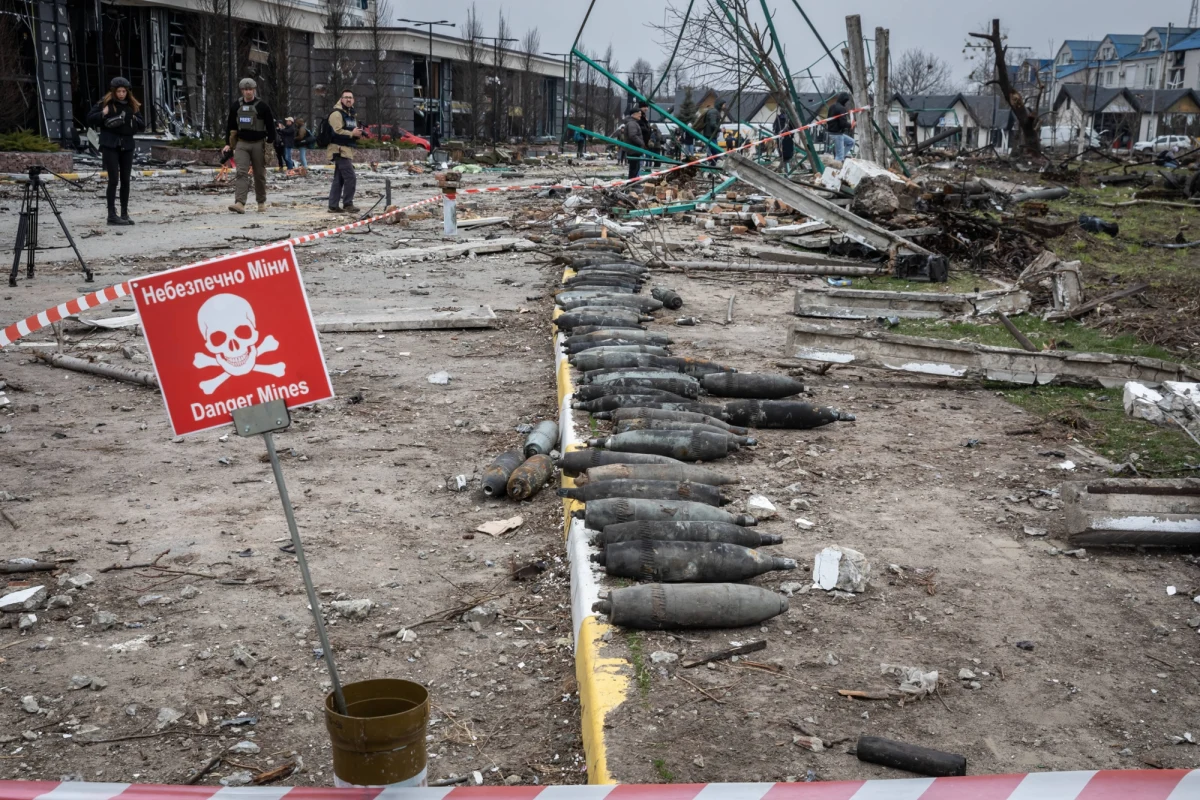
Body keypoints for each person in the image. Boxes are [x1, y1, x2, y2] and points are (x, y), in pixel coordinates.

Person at [86, 76, 144, 226]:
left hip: (127, 145)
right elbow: (90, 119)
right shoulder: (105, 104)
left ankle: (124, 213)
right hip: (110, 145)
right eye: (118, 91)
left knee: (126, 180)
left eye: (124, 91)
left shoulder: (132, 105)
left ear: (128, 92)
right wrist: (103, 113)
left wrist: (135, 119)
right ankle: (111, 215)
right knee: (113, 180)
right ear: (113, 92)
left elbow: (142, 125)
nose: (121, 94)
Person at [223, 77, 275, 213]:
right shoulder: (236, 106)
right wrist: (228, 144)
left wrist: (269, 145)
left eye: (250, 89)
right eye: (245, 90)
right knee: (241, 173)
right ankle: (240, 203)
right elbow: (230, 126)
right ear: (242, 91)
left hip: (258, 143)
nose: (248, 92)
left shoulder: (263, 107)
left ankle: (261, 202)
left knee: (259, 174)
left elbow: (271, 127)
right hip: (242, 143)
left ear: (254, 90)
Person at [326, 89, 364, 213]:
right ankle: (348, 204)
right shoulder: (336, 114)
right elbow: (336, 132)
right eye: (346, 97)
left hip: (346, 149)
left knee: (339, 178)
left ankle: (333, 205)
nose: (348, 99)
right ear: (341, 99)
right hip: (339, 150)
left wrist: (358, 133)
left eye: (350, 97)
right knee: (350, 177)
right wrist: (352, 133)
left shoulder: (350, 114)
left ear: (353, 100)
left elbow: (349, 131)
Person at [827, 92, 855, 162]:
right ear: (844, 101)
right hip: (837, 134)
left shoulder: (832, 106)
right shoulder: (841, 109)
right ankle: (836, 167)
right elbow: (843, 123)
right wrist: (851, 125)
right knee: (839, 157)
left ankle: (842, 155)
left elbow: (828, 120)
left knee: (851, 142)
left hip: (831, 132)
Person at [623, 107, 646, 180]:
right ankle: (632, 184)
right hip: (633, 150)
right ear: (633, 114)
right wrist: (641, 143)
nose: (640, 115)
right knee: (634, 169)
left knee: (635, 168)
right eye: (639, 114)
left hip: (634, 150)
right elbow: (632, 135)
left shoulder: (633, 123)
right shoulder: (632, 123)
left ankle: (633, 183)